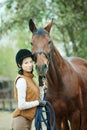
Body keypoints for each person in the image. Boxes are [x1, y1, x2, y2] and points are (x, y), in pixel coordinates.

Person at [12, 49, 46, 130]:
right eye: (26, 63)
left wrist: (41, 86)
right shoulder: (22, 80)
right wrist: (38, 102)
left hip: (28, 121)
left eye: (31, 62)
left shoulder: (30, 79)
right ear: (19, 65)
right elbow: (21, 105)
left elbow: (39, 99)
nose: (30, 65)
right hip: (21, 122)